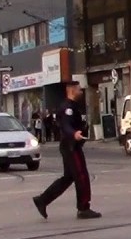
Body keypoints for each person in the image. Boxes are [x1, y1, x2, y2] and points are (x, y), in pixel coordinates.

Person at [32, 81, 101, 220]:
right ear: (71, 91)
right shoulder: (67, 108)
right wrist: (74, 134)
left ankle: (42, 200)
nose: (81, 92)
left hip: (71, 146)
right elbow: (66, 125)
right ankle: (83, 208)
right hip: (71, 146)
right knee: (81, 176)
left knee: (68, 178)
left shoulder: (73, 106)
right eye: (78, 89)